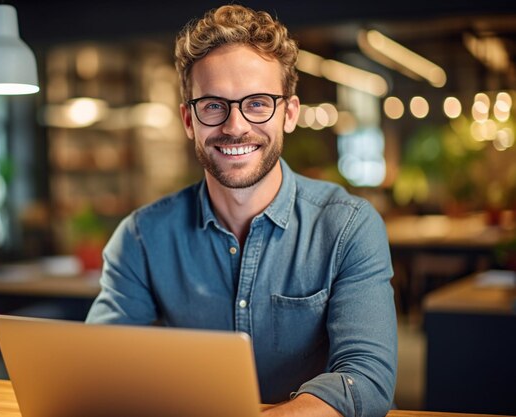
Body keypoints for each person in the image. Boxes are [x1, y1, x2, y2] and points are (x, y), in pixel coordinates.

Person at [86, 4, 397, 416]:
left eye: (257, 103)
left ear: (289, 114)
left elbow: (367, 378)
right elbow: (99, 367)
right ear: (188, 120)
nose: (235, 126)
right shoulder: (143, 236)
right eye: (214, 105)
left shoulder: (348, 227)